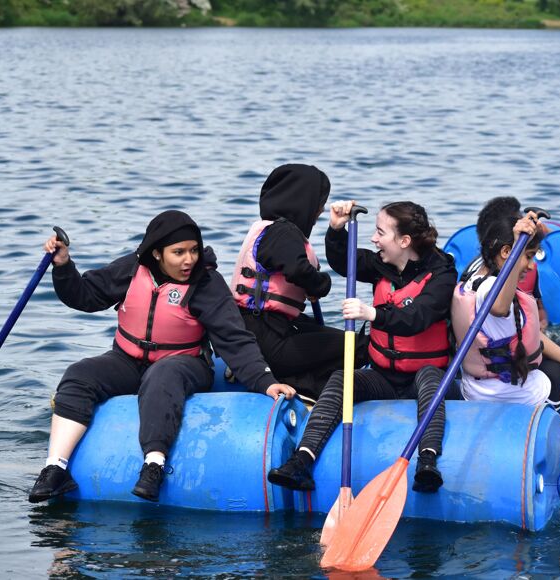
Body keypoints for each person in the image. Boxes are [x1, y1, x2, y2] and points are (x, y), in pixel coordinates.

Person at [28, 210, 295, 504]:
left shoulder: (206, 283)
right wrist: (63, 266)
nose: (189, 260)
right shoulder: (132, 269)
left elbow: (235, 340)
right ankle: (56, 468)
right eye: (178, 252)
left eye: (193, 250)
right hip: (127, 360)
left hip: (186, 363)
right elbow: (84, 295)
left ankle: (153, 466)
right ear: (157, 253)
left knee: (162, 375)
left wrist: (265, 381)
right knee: (80, 373)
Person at [268, 200, 457, 494]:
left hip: (421, 376)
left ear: (404, 241)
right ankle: (302, 460)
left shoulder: (442, 274)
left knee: (433, 378)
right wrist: (336, 229)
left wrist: (372, 314)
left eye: (381, 232)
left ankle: (427, 461)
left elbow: (417, 317)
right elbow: (344, 261)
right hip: (384, 376)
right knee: (341, 378)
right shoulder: (382, 265)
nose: (373, 239)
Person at [231, 164, 364, 400]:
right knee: (358, 346)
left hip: (257, 330)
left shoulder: (270, 230)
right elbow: (297, 270)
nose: (320, 210)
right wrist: (321, 284)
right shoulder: (283, 233)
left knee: (329, 335)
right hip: (269, 340)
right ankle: (303, 387)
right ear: (303, 201)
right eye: (319, 203)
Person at [452, 207, 560, 408]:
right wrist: (517, 249)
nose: (531, 266)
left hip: (474, 391)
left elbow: (531, 336)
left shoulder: (474, 279)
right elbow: (499, 307)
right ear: (506, 252)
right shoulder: (490, 289)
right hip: (516, 398)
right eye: (528, 256)